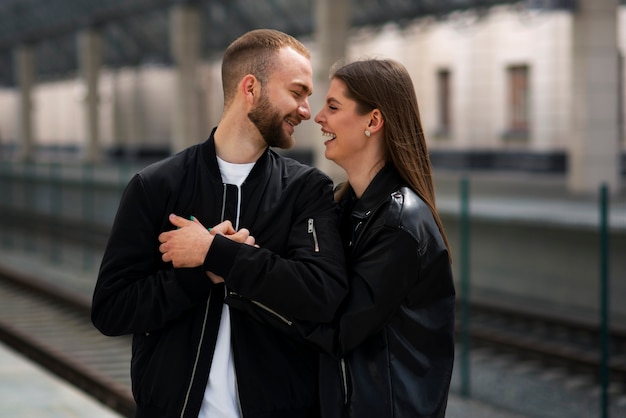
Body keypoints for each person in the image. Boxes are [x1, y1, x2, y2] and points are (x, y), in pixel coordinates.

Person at [91, 29, 347, 418]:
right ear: (250, 88)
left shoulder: (306, 190)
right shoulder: (157, 186)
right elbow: (111, 309)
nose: (306, 110)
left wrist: (217, 253)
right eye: (297, 92)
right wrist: (200, 275)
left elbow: (322, 294)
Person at [230, 59, 456, 417]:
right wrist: (242, 252)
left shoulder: (400, 224)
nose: (318, 117)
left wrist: (236, 274)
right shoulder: (344, 207)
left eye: (333, 107)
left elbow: (336, 329)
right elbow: (307, 281)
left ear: (374, 121)